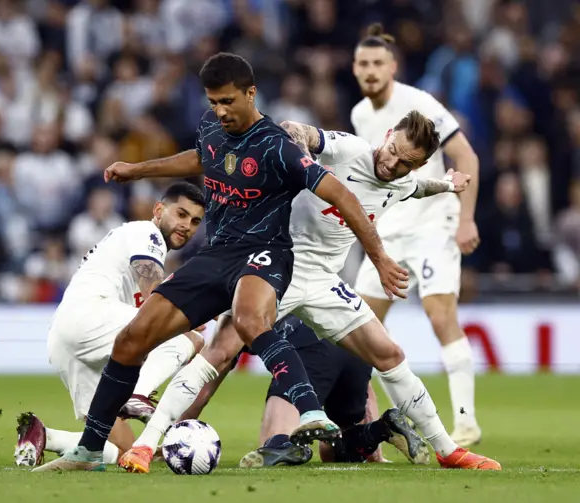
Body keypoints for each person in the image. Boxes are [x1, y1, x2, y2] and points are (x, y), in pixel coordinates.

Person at [35, 52, 408, 473]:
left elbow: (340, 194)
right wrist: (138, 171)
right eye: (213, 102)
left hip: (267, 253)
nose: (221, 110)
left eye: (228, 101)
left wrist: (378, 258)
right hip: (218, 253)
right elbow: (200, 158)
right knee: (131, 340)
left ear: (251, 93)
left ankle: (309, 411)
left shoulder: (277, 146)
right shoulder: (212, 128)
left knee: (250, 320)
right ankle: (88, 451)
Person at [118, 116, 500, 472]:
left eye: (404, 162)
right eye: (393, 151)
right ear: (386, 137)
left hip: (321, 280)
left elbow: (417, 189)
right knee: (218, 351)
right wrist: (300, 151)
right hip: (275, 265)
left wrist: (449, 184)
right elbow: (295, 130)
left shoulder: (401, 181)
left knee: (390, 354)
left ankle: (448, 450)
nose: (391, 164)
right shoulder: (349, 149)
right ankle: (146, 445)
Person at [351, 24, 482, 446]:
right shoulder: (359, 114)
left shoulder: (419, 103)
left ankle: (465, 421)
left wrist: (466, 219)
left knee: (439, 315)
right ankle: (396, 421)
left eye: (377, 63)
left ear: (392, 67)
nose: (370, 70)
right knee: (362, 328)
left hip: (431, 222)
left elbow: (466, 156)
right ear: (354, 68)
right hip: (387, 230)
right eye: (362, 63)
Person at [17, 182, 206, 467]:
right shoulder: (147, 232)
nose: (187, 226)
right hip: (92, 314)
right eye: (181, 214)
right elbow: (155, 291)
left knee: (123, 449)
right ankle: (139, 394)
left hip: (65, 337)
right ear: (158, 210)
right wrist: (193, 313)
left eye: (194, 221)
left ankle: (45, 435)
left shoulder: (129, 237)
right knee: (190, 338)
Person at [174, 315, 431, 468]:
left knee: (274, 445)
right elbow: (366, 387)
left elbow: (206, 385)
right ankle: (383, 428)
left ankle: (295, 447)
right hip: (353, 352)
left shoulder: (240, 307)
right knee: (334, 453)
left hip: (309, 351)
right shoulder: (284, 280)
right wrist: (374, 449)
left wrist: (174, 433)